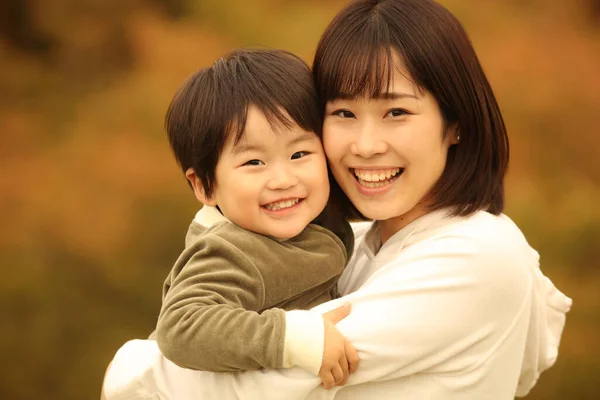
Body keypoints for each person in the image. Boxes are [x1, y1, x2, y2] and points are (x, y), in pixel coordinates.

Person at [102, 0, 572, 399]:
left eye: (396, 112)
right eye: (344, 112)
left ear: (456, 123)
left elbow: (242, 385)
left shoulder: (474, 256)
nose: (366, 144)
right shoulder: (351, 241)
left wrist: (128, 368)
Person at [147, 48, 359, 389]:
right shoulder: (232, 251)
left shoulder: (310, 225)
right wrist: (293, 339)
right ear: (205, 186)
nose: (282, 179)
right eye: (253, 163)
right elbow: (181, 326)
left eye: (299, 153)